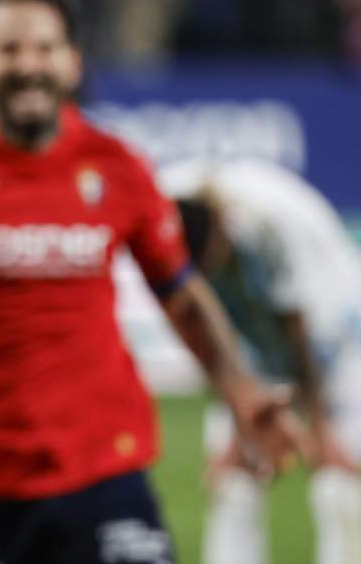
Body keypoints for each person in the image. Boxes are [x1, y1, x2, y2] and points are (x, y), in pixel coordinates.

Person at [0, 0, 306, 564]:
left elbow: (181, 294)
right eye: (10, 49)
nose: (29, 64)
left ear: (73, 61)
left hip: (109, 466)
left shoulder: (119, 167)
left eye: (45, 48)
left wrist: (240, 390)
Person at [163, 159, 361, 564]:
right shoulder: (161, 214)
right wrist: (242, 411)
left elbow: (298, 326)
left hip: (336, 341)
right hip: (250, 350)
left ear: (222, 228)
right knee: (233, 478)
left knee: (337, 482)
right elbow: (189, 318)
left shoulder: (265, 225)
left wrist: (320, 429)